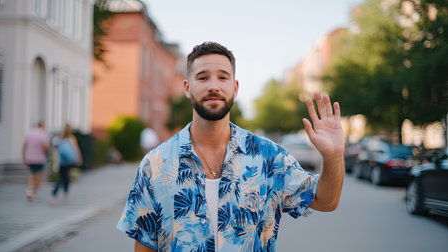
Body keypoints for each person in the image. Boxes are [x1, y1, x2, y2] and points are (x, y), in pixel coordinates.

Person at [117, 42, 345, 251]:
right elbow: (145, 245)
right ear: (187, 87)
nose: (213, 86)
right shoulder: (155, 164)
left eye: (223, 78)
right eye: (203, 77)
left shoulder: (269, 157)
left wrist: (333, 156)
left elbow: (326, 201)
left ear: (235, 88)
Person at [50, 124, 82, 204]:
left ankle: (53, 195)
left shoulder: (60, 138)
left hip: (61, 161)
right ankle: (66, 194)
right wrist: (79, 158)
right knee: (66, 177)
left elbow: (56, 150)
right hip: (69, 161)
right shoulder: (72, 138)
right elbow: (76, 149)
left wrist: (55, 161)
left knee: (60, 178)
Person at [22, 121, 50, 202]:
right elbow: (46, 148)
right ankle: (34, 193)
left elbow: (24, 146)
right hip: (39, 159)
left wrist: (24, 157)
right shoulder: (43, 135)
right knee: (38, 176)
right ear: (43, 126)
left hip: (29, 158)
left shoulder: (29, 133)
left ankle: (29, 189)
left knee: (33, 174)